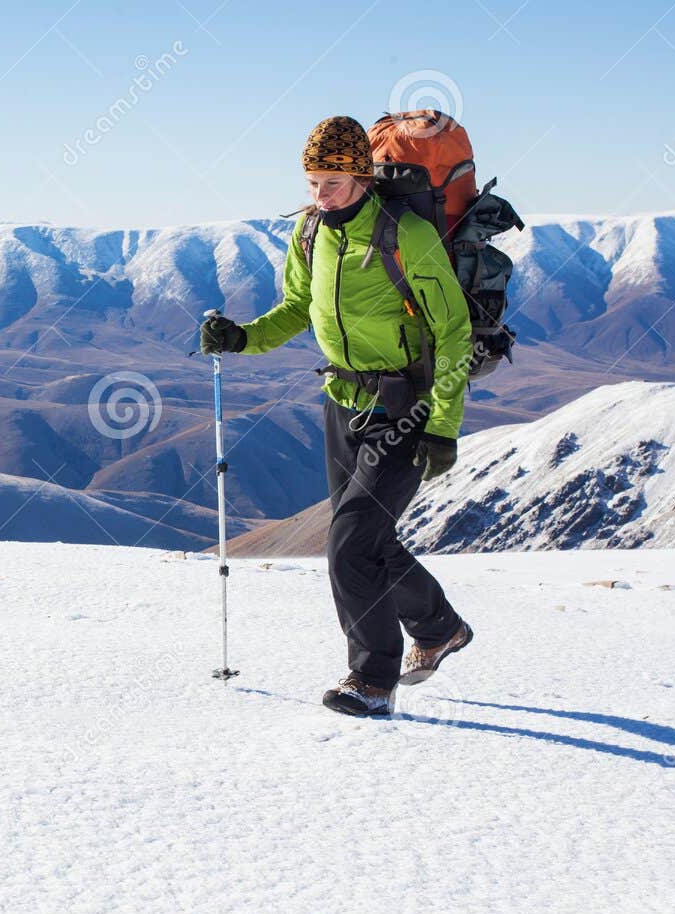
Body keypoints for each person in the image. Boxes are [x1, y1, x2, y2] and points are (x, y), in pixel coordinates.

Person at [200, 115, 474, 717]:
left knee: (349, 545)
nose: (320, 195)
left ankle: (372, 680)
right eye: (312, 182)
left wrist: (442, 425)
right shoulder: (308, 233)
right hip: (343, 402)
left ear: (362, 178)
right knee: (369, 540)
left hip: (404, 406)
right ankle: (439, 627)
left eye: (332, 183)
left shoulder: (406, 234)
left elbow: (454, 331)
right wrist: (242, 338)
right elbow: (298, 307)